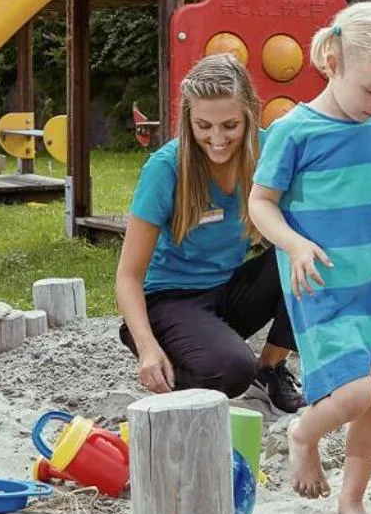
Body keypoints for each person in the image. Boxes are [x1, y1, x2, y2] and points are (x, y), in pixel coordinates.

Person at [249, 1, 371, 514]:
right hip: (325, 285)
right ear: (332, 61)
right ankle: (303, 432)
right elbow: (260, 203)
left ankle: (351, 501)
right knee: (354, 394)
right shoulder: (294, 131)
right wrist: (292, 244)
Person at [114, 54, 302, 411]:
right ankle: (173, 358)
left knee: (315, 252)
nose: (217, 139)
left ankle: (271, 367)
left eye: (230, 126)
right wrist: (147, 346)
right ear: (189, 120)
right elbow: (127, 275)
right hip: (169, 301)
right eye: (204, 126)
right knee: (231, 372)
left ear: (249, 114)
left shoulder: (268, 151)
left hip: (228, 292)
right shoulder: (166, 168)